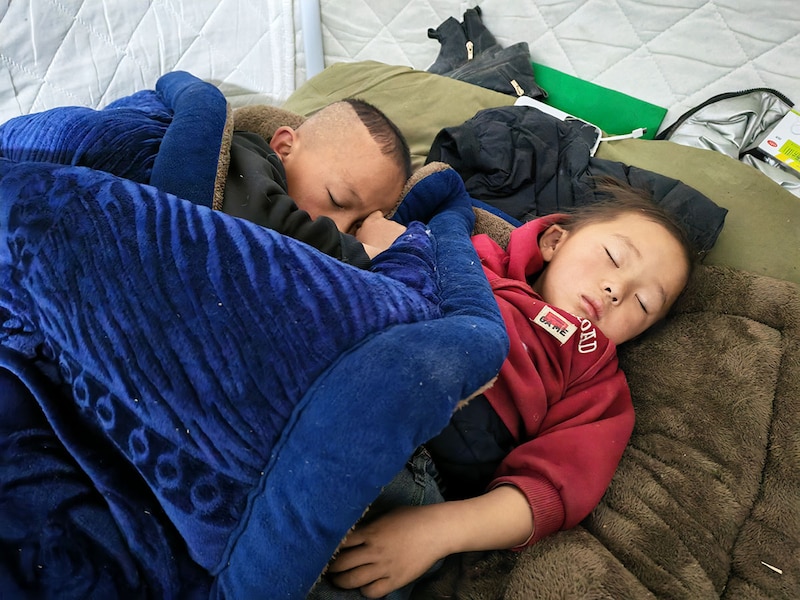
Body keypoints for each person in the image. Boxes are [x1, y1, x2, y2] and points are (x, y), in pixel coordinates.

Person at [313, 178, 697, 599]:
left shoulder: (596, 381)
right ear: (554, 241)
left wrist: (436, 532)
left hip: (415, 472)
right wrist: (390, 244)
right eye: (614, 257)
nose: (617, 290)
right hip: (345, 384)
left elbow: (549, 491)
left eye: (644, 303)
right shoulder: (474, 260)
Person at [223, 98, 412, 268]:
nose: (340, 229)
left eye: (358, 226)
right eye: (337, 200)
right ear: (284, 147)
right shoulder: (243, 155)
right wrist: (372, 254)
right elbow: (260, 226)